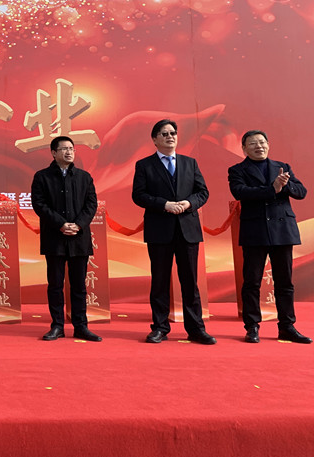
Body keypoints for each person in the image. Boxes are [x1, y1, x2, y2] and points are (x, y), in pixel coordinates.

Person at [132, 119, 216, 344]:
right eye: (164, 134)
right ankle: (160, 327)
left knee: (190, 281)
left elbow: (203, 192)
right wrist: (164, 204)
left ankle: (196, 329)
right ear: (154, 139)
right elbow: (138, 195)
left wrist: (188, 203)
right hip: (159, 229)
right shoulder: (144, 165)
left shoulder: (190, 163)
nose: (170, 137)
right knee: (159, 281)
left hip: (187, 229)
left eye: (173, 133)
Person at [228, 130, 311, 344]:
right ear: (244, 148)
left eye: (262, 142)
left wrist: (286, 184)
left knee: (285, 282)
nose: (259, 146)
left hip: (282, 231)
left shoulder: (282, 167)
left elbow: (301, 192)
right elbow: (240, 192)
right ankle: (252, 326)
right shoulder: (237, 170)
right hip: (255, 231)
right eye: (253, 143)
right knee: (252, 282)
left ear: (268, 144)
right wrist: (272, 188)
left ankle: (287, 326)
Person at [31, 136, 102, 342]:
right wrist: (61, 224)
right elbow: (39, 205)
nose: (69, 152)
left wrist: (78, 224)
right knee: (55, 285)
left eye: (72, 148)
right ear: (54, 153)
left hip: (79, 238)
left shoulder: (84, 177)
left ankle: (81, 326)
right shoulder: (42, 177)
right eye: (64, 149)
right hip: (55, 237)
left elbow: (91, 204)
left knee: (79, 285)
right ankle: (57, 326)